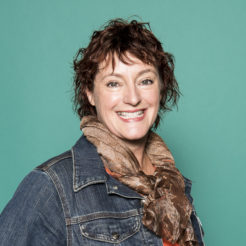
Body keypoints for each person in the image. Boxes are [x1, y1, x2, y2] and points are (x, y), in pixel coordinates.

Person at [0, 19, 204, 245]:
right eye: (114, 83)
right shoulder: (52, 186)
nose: (133, 98)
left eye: (145, 80)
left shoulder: (171, 184)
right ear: (89, 92)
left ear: (161, 87)